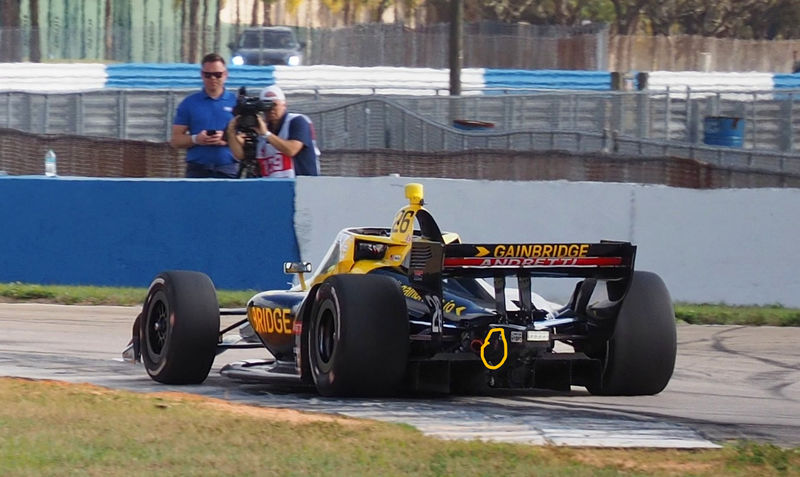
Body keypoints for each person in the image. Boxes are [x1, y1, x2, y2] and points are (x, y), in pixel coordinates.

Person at [226, 84, 320, 177]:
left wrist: (266, 134)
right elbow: (241, 155)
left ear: (284, 104)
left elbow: (291, 150)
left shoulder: (296, 121)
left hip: (302, 182)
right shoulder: (261, 126)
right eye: (266, 106)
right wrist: (231, 132)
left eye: (274, 105)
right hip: (274, 183)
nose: (271, 110)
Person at [171, 53, 238, 178]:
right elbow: (176, 140)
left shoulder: (236, 102)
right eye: (208, 75)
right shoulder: (189, 103)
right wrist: (196, 139)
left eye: (217, 75)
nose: (213, 78)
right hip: (197, 169)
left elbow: (247, 138)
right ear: (202, 75)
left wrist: (226, 139)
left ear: (225, 75)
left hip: (228, 168)